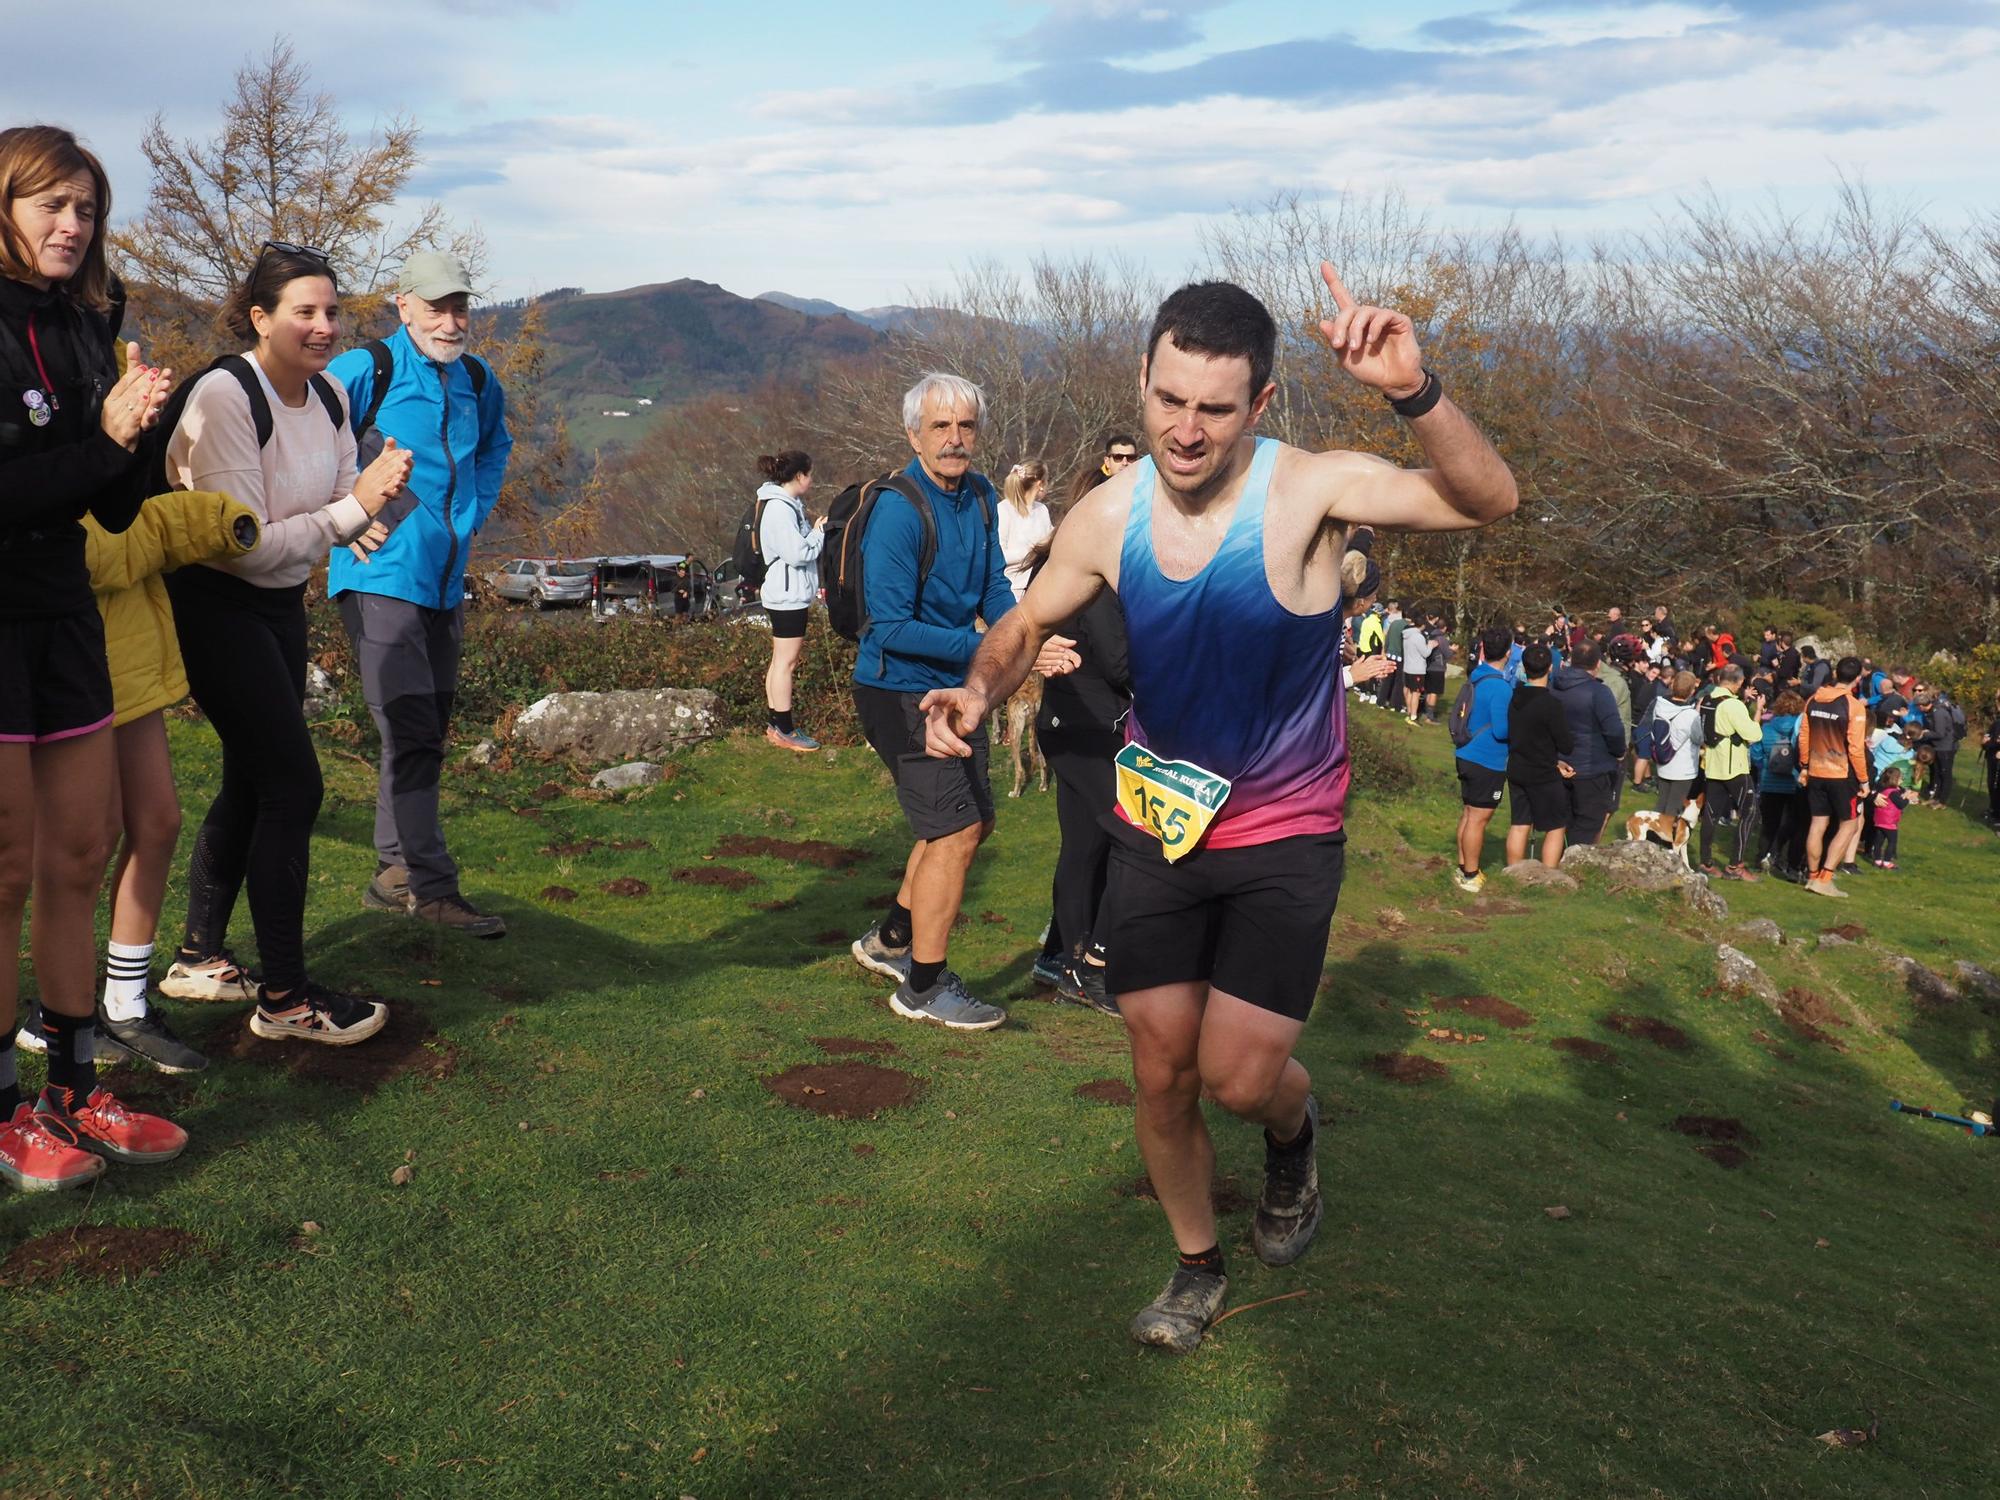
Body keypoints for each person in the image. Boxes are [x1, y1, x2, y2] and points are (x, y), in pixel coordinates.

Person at [918, 268, 1518, 1351]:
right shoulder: (1109, 514)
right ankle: (1195, 1265)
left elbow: (1487, 501)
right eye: (1166, 399)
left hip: (1284, 835)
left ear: (1261, 404)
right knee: (1157, 1064)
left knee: (1239, 1078)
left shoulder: (1311, 491)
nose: (1184, 430)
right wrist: (973, 690)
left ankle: (1291, 1136)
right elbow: (1021, 623)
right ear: (1142, 380)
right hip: (1159, 824)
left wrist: (1413, 390)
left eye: (1213, 407)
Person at [0, 124, 191, 1190]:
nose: (72, 225)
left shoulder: (83, 324)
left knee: (81, 855)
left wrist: (139, 433)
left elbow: (107, 504)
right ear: (5, 208)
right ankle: (2, 1112)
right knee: (6, 870)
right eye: (50, 205)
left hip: (66, 615)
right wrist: (105, 442)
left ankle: (73, 1090)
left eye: (85, 208)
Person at [162, 242, 412, 1042]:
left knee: (254, 773)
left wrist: (368, 507)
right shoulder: (226, 397)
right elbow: (242, 543)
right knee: (293, 786)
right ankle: (285, 999)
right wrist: (351, 514)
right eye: (303, 311)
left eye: (333, 311)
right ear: (260, 317)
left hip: (277, 607)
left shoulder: (332, 396)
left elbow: (337, 498)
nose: (323, 326)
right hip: (214, 602)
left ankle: (199, 958)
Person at [17, 470, 261, 1073]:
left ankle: (125, 1001)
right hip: (76, 663)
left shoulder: (115, 448)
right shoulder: (67, 453)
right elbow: (95, 552)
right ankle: (53, 1015)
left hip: (130, 664)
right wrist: (189, 523)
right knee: (81, 844)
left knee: (157, 822)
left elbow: (128, 529)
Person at [324, 251, 510, 936]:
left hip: (442, 583)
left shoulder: (478, 379)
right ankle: (433, 890)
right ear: (403, 306)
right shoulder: (364, 370)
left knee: (418, 731)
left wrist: (471, 516)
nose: (451, 319)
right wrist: (339, 512)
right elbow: (297, 436)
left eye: (460, 305)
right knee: (412, 731)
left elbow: (495, 447)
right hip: (378, 577)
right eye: (436, 306)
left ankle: (393, 869)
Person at [845, 372, 1015, 1031]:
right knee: (955, 827)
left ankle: (890, 940)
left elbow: (995, 587)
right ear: (912, 433)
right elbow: (887, 627)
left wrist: (1022, 635)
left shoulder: (979, 496)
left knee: (970, 821)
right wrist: (982, 647)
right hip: (896, 689)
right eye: (940, 426)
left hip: (950, 685)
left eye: (965, 426)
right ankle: (922, 986)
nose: (954, 438)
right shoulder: (897, 509)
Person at [1028, 541, 1129, 1016]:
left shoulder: (1057, 567)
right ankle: (1094, 963)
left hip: (1064, 724)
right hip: (1093, 729)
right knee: (1135, 840)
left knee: (1085, 847)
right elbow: (1119, 663)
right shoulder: (1099, 577)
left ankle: (1063, 959)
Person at [748, 449, 825, 752]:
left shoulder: (785, 504)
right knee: (786, 663)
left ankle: (775, 724)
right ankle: (785, 729)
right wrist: (819, 533)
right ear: (798, 476)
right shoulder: (780, 509)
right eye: (810, 473)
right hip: (788, 595)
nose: (812, 479)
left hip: (784, 592)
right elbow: (798, 553)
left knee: (780, 660)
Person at [1798, 654, 1870, 899]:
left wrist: (1805, 766)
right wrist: (1864, 779)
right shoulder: (1854, 706)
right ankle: (1825, 878)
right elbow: (1856, 748)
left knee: (1818, 823)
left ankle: (1811, 875)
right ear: (1858, 679)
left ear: (1836, 674)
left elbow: (1804, 736)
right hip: (1842, 774)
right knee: (1849, 824)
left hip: (1816, 770)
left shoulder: (1813, 699)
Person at [1451, 628, 1513, 892]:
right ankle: (1470, 875)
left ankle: (1463, 865)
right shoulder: (1501, 688)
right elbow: (1502, 730)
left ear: (1484, 650)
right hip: (1487, 760)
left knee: (1468, 813)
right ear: (1509, 654)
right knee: (1479, 818)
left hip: (1465, 753)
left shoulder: (1475, 677)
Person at [1503, 644, 1574, 868]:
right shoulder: (1551, 704)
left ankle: (1514, 872)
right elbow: (1566, 744)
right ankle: (1549, 875)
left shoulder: (1515, 697)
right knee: (1555, 825)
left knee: (1520, 822)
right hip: (1542, 772)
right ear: (1550, 668)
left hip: (1517, 766)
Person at [1548, 639, 1625, 845]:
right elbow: (1614, 730)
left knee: (1561, 823)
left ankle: (1556, 864)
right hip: (1591, 767)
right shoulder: (1599, 692)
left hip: (1559, 762)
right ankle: (1575, 870)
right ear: (1598, 664)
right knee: (1587, 825)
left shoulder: (1554, 686)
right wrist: (1619, 752)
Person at [1696, 666, 1761, 880]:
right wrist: (1757, 713)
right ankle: (1735, 865)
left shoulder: (1706, 700)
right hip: (1734, 766)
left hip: (1713, 764)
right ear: (1739, 682)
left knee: (1710, 815)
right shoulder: (1733, 705)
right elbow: (1753, 734)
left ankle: (1705, 861)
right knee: (1749, 812)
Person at [1751, 688, 1806, 881]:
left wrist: (1764, 767)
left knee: (1769, 823)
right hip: (1793, 782)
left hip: (1769, 781)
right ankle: (1780, 856)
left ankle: (1761, 857)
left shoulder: (1766, 728)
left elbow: (1756, 754)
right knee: (1791, 823)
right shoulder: (1800, 730)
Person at [1646, 672, 1703, 818]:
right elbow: (1699, 738)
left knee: (1661, 803)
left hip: (1663, 760)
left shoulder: (1660, 705)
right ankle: (1665, 839)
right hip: (1683, 767)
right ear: (1692, 691)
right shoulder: (1691, 715)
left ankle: (1653, 836)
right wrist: (1697, 712)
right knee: (1674, 807)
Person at [997, 460, 1053, 603]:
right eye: (1047, 481)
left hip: (1040, 586)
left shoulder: (1042, 510)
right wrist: (1033, 551)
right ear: (1040, 484)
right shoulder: (1003, 510)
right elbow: (998, 555)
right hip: (1012, 589)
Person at [1869, 768, 1910, 868]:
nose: (1902, 780)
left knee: (1878, 842)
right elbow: (1901, 805)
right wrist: (1907, 798)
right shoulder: (1894, 793)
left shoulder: (1884, 790)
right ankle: (1887, 862)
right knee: (1892, 842)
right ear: (1895, 780)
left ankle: (1877, 860)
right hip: (1889, 822)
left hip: (1879, 820)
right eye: (1900, 778)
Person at [1399, 603, 1431, 722]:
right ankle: (1413, 715)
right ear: (1422, 625)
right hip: (1417, 669)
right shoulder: (1418, 637)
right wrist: (1431, 646)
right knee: (1415, 693)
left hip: (1407, 667)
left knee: (1408, 690)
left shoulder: (1406, 634)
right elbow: (1425, 653)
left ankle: (1409, 711)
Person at [1983, 689, 2000, 825]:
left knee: (1996, 786)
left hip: (1997, 758)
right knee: (1992, 784)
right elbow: (1991, 736)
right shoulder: (1997, 721)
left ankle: (1997, 814)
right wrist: (1985, 742)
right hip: (1992, 756)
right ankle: (1993, 809)